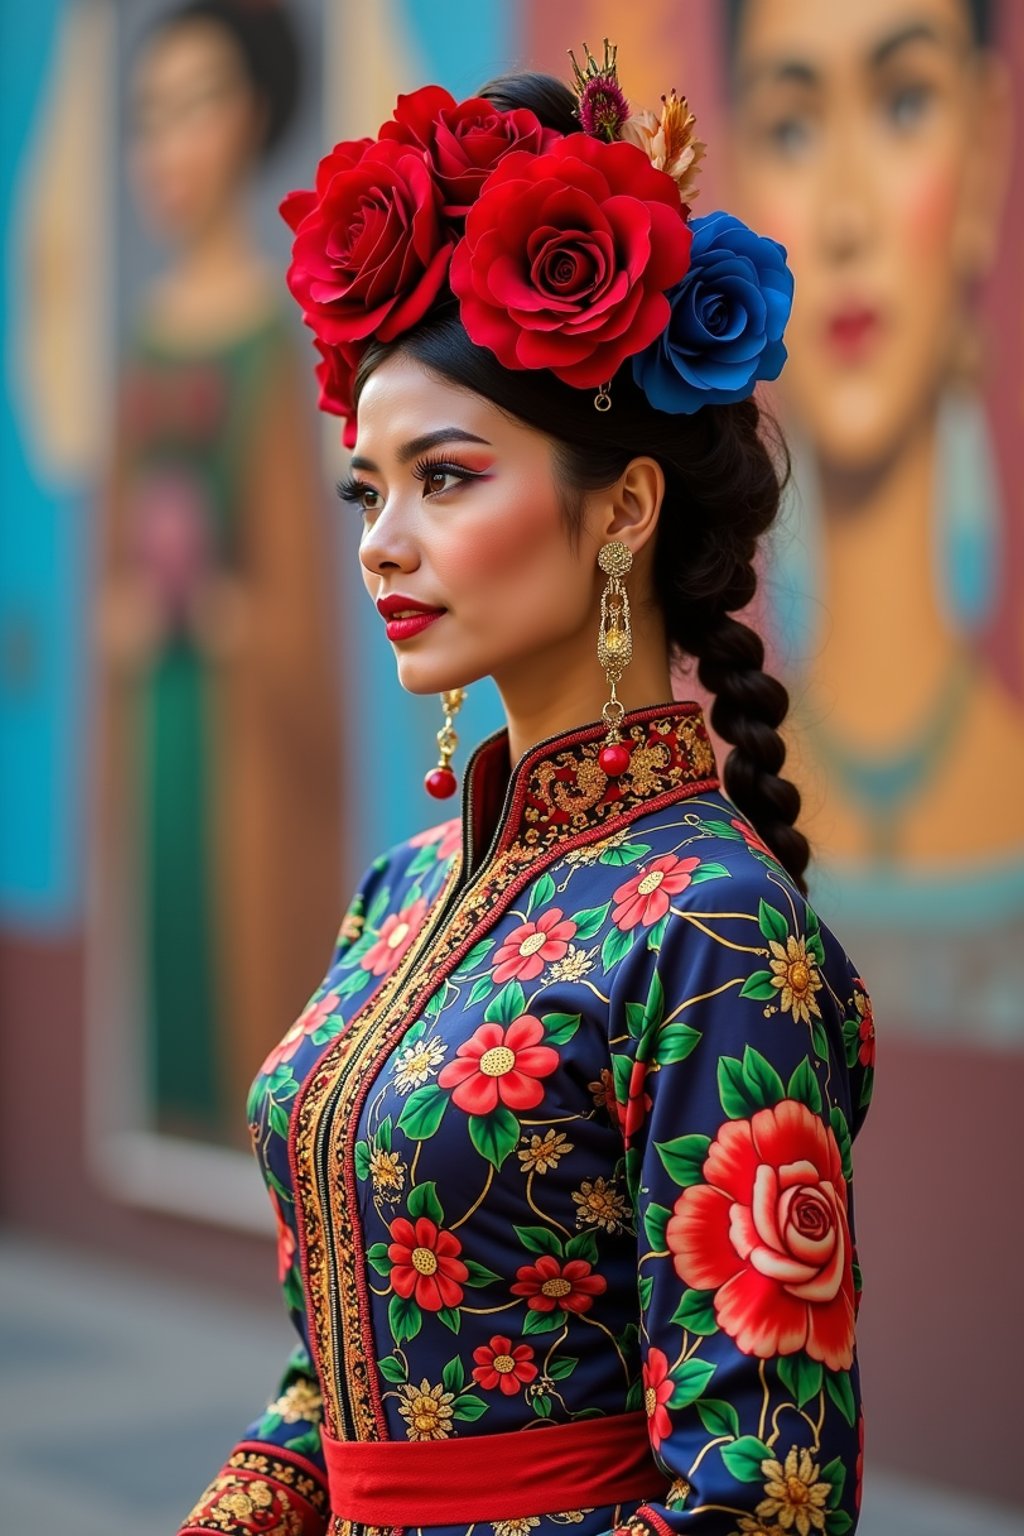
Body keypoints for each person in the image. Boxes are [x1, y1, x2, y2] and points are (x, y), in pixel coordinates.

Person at [179, 50, 872, 1536]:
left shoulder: (714, 935)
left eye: (445, 477)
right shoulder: (402, 890)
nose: (381, 542)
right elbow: (338, 1370)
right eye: (367, 491)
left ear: (621, 506)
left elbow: (768, 1501)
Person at [721, 0, 1024, 1038]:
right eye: (794, 128)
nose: (846, 216)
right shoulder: (702, 839)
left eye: (902, 104)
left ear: (983, 155)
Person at [94, 0, 341, 1146]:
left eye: (194, 108)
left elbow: (298, 587)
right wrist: (130, 616)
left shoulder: (264, 330)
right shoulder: (145, 340)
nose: (168, 147)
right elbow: (113, 546)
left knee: (248, 950)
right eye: (150, 116)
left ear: (249, 121)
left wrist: (244, 621)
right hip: (163, 707)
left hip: (242, 715)